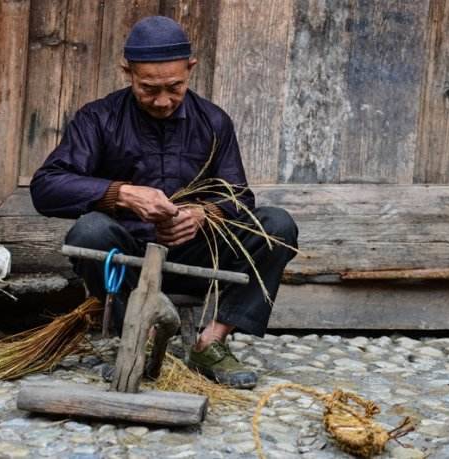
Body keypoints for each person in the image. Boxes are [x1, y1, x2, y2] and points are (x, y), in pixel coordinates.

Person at [31, 16, 298, 389]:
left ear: (191, 68)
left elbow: (238, 195)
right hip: (128, 259)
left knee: (278, 226)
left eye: (175, 87)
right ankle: (135, 339)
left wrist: (204, 214)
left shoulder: (213, 121)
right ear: (128, 72)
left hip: (194, 255)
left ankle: (211, 343)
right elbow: (45, 187)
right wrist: (122, 194)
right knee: (88, 231)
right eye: (148, 89)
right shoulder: (99, 118)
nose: (162, 100)